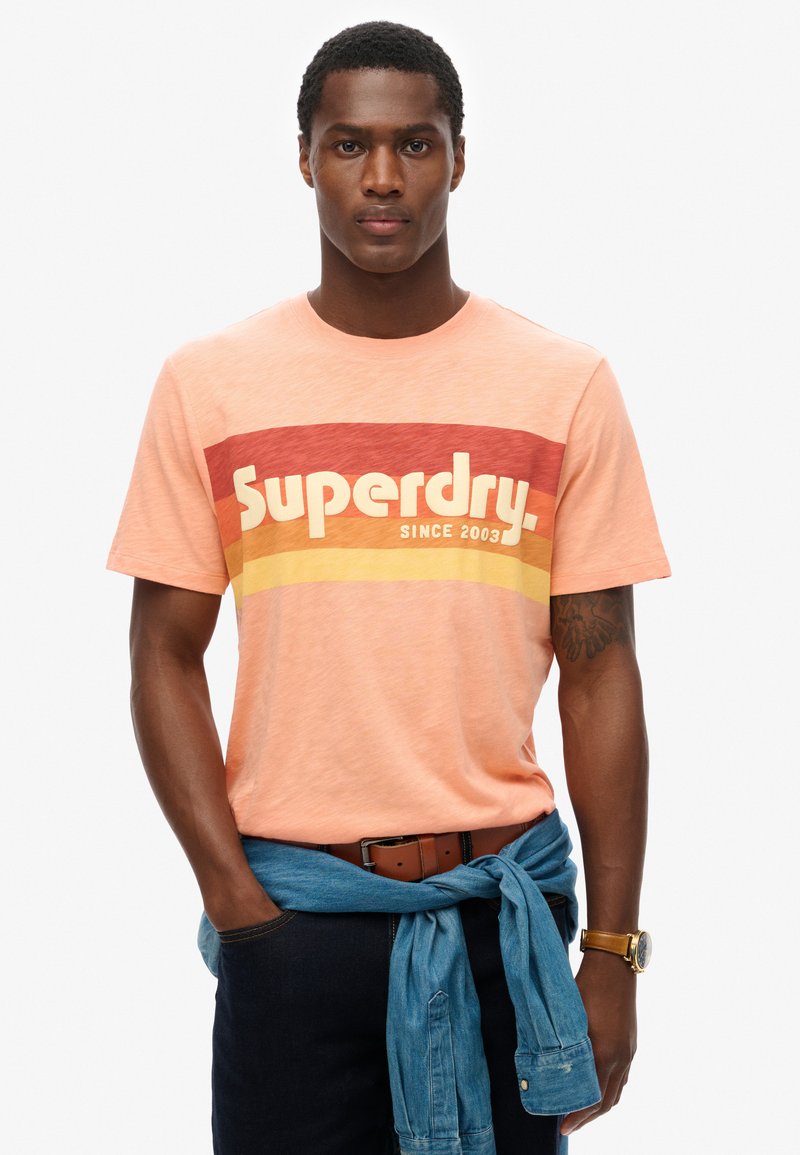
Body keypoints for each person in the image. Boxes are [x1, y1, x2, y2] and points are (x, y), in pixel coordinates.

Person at [108, 20, 670, 1155]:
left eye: (414, 144)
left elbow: (600, 669)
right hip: (292, 922)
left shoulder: (561, 386)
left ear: (458, 158)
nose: (381, 178)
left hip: (501, 914)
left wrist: (611, 951)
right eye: (348, 144)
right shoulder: (210, 386)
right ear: (303, 158)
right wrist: (234, 904)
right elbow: (162, 653)